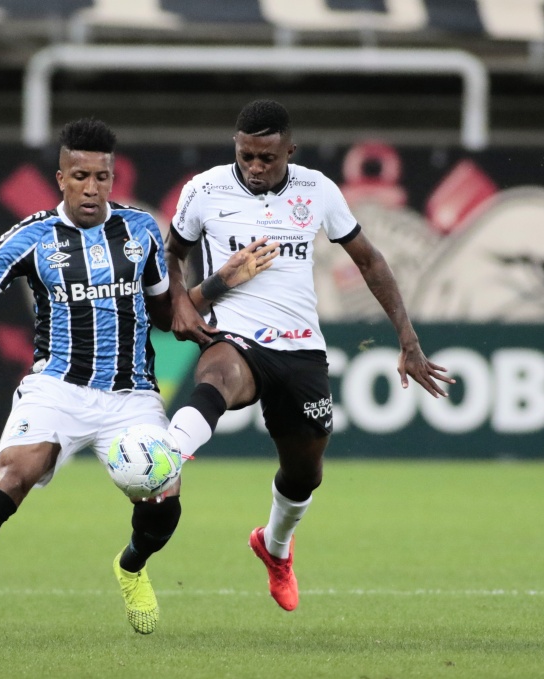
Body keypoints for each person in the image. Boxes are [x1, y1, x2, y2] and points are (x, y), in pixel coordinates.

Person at [0, 118, 278, 643]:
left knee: (162, 501)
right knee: (12, 474)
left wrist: (221, 281)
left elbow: (169, 316)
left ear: (113, 178)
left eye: (102, 177)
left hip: (132, 394)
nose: (92, 188)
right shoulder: (31, 237)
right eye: (81, 176)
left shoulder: (141, 230)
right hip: (58, 387)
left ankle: (131, 565)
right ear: (61, 178)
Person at [163, 100, 455, 612]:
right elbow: (172, 252)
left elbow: (369, 260)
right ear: (236, 145)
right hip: (236, 335)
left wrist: (408, 340)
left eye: (267, 158)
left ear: (289, 151)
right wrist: (186, 301)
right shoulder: (203, 190)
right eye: (247, 155)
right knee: (217, 379)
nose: (254, 167)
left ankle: (274, 547)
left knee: (305, 475)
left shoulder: (317, 190)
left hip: (300, 348)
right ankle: (164, 458)